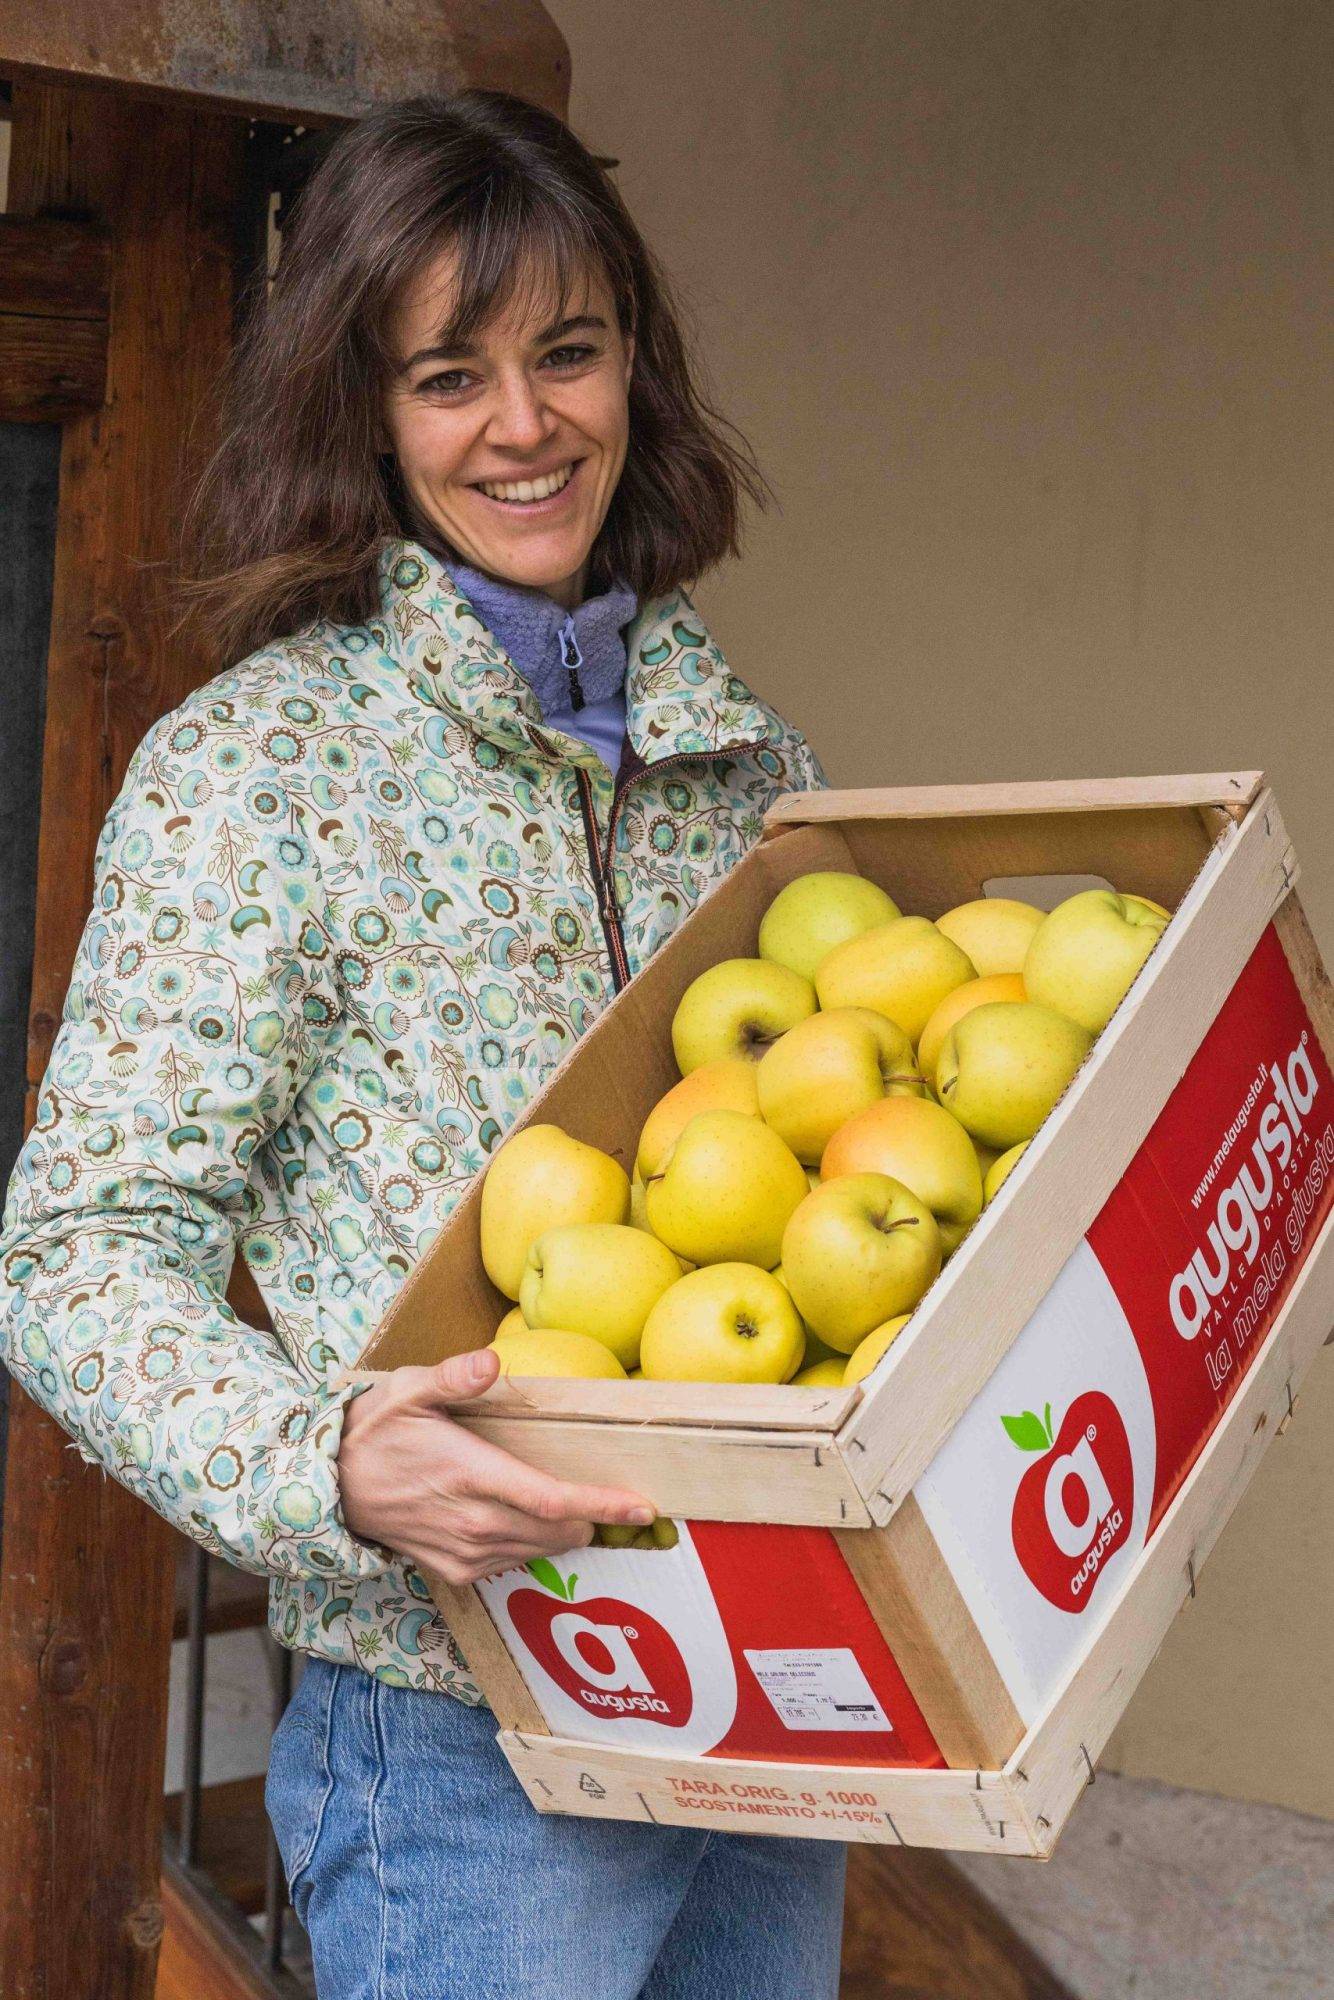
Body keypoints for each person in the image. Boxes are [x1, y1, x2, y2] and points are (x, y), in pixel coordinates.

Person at [0, 92, 844, 1998]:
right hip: (460, 1742)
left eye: (568, 351)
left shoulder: (753, 772)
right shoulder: (262, 770)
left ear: (636, 366)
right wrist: (331, 1466)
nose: (524, 424)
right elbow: (75, 1260)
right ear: (365, 415)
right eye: (448, 375)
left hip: (773, 1699)